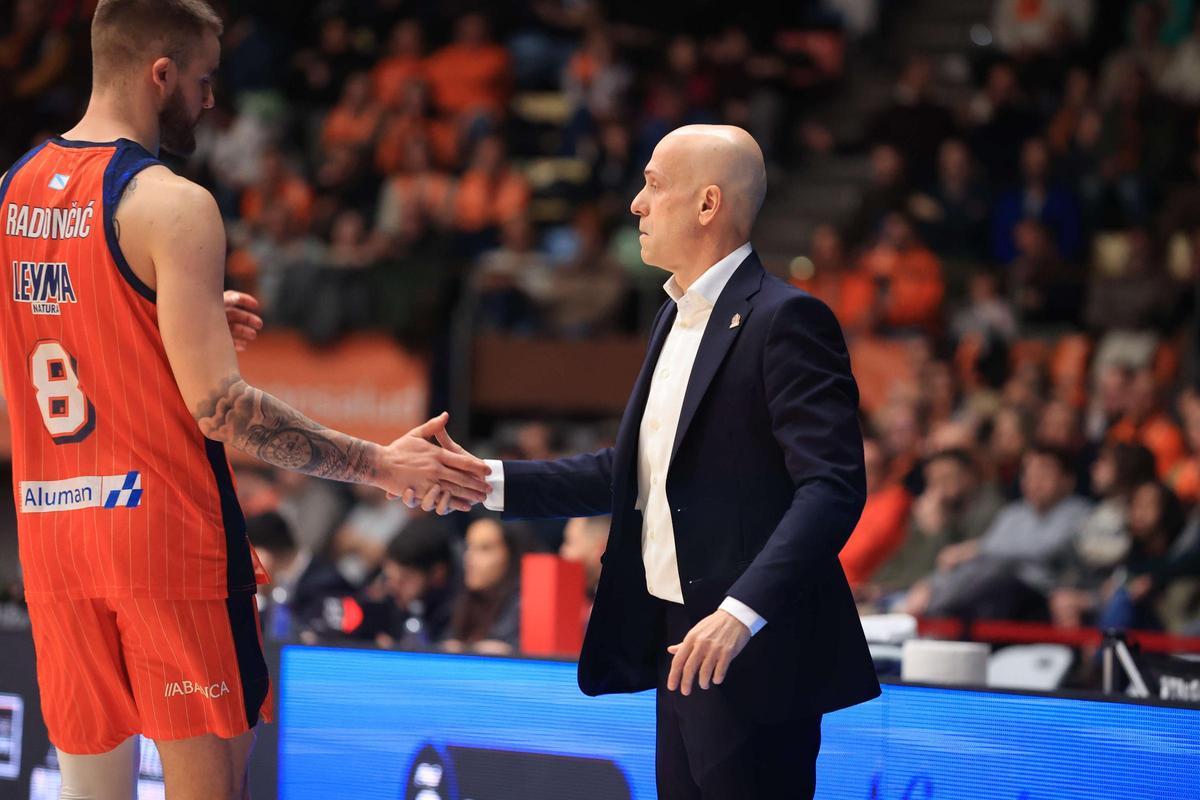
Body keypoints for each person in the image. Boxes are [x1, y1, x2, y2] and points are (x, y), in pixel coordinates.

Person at [0, 2, 491, 799]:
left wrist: (161, 317)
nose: (209, 101)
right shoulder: (174, 204)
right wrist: (383, 465)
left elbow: (45, 343)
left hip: (54, 541)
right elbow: (222, 409)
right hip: (163, 542)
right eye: (202, 79)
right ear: (160, 74)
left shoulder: (12, 192)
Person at [415, 124, 878, 798]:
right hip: (675, 641)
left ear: (708, 204)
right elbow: (626, 472)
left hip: (749, 647)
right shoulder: (672, 316)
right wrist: (485, 480)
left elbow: (832, 488)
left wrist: (740, 612)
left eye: (653, 185)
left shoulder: (788, 320)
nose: (635, 203)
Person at [442, 518, 523, 655]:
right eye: (468, 547)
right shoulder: (461, 600)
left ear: (510, 554)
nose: (469, 558)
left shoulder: (524, 604)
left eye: (484, 548)